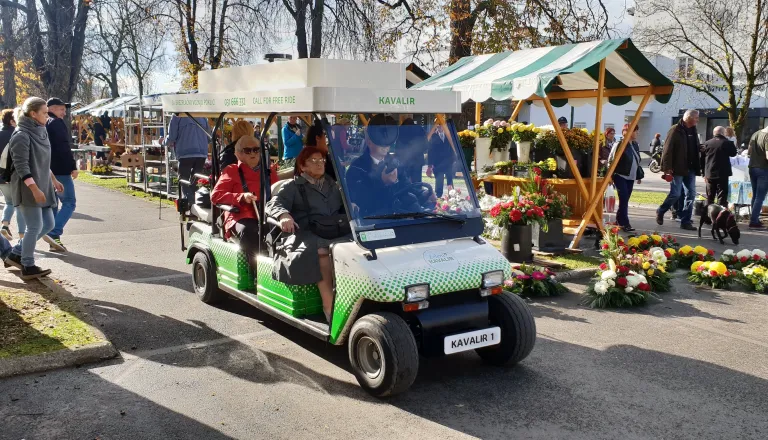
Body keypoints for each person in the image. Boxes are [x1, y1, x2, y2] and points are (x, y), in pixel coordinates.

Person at [266, 146, 348, 323]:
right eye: (314, 161)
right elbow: (273, 204)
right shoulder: (292, 186)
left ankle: (350, 298)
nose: (320, 164)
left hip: (334, 230)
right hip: (304, 234)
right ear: (302, 166)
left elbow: (345, 204)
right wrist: (283, 215)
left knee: (357, 248)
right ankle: (329, 305)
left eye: (322, 160)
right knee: (323, 250)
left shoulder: (332, 184)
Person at [5, 97, 64, 280]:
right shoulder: (21, 134)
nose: (48, 116)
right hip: (27, 188)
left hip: (44, 185)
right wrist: (35, 189)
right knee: (34, 226)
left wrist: (53, 180)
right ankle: (28, 266)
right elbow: (21, 166)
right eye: (45, 113)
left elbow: (43, 162)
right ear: (33, 114)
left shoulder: (41, 131)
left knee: (48, 224)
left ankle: (16, 254)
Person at [211, 135, 278, 272]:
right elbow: (215, 196)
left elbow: (279, 192)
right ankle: (258, 272)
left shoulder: (269, 171)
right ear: (238, 154)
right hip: (240, 215)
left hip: (266, 213)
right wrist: (240, 197)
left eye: (256, 150)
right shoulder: (231, 170)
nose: (253, 153)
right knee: (251, 231)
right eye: (248, 151)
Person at [346, 115, 407, 216]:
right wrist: (382, 182)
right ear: (369, 142)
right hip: (372, 223)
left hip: (398, 219)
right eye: (380, 141)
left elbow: (406, 187)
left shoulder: (395, 163)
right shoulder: (356, 168)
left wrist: (423, 194)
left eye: (388, 142)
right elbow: (361, 202)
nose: (385, 146)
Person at [656, 109, 701, 230]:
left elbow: (694, 146)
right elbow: (667, 150)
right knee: (675, 194)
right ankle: (661, 210)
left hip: (690, 168)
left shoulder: (693, 130)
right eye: (696, 118)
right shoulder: (675, 130)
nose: (698, 120)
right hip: (677, 168)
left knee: (691, 194)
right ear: (689, 118)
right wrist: (667, 169)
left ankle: (685, 221)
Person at [44, 98, 77, 252]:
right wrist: (73, 165)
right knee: (69, 202)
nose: (64, 113)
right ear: (52, 108)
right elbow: (64, 146)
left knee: (54, 205)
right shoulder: (56, 123)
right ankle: (54, 231)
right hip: (60, 170)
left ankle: (53, 240)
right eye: (61, 109)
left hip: (47, 169)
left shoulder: (44, 122)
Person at [167, 114, 210, 202]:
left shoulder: (177, 115)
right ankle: (194, 204)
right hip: (201, 153)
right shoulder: (202, 115)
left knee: (184, 180)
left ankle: (189, 204)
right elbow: (209, 137)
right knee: (195, 181)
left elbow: (172, 137)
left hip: (185, 153)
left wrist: (163, 141)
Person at [609, 124, 643, 232]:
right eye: (635, 131)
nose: (637, 133)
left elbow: (637, 160)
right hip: (620, 175)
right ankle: (625, 223)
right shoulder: (619, 144)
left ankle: (619, 220)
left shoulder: (635, 145)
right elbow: (611, 160)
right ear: (626, 132)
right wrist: (609, 175)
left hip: (631, 176)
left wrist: (638, 175)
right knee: (623, 198)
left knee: (625, 200)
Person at [0, 108, 25, 240]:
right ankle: (22, 235)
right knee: (19, 204)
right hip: (12, 175)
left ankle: (4, 225)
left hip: (0, 177)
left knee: (9, 202)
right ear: (12, 121)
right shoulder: (16, 134)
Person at [701, 126, 737, 207]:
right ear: (723, 133)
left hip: (709, 172)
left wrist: (703, 173)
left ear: (714, 133)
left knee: (710, 196)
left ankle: (707, 216)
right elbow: (733, 153)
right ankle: (720, 216)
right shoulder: (727, 143)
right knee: (722, 196)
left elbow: (702, 159)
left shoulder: (707, 143)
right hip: (722, 173)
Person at [747, 125, 768, 229]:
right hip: (763, 168)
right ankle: (754, 221)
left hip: (752, 167)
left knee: (755, 195)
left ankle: (754, 219)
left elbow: (749, 151)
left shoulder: (756, 133)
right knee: (760, 196)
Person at [427, 124, 455, 198]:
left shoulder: (449, 135)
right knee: (439, 181)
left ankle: (452, 197)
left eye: (441, 125)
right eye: (438, 125)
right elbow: (430, 151)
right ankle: (438, 197)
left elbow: (453, 148)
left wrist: (453, 159)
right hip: (438, 163)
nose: (439, 127)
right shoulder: (433, 136)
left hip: (448, 162)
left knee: (450, 181)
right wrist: (430, 165)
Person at [397, 118, 427, 184]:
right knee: (417, 183)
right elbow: (425, 145)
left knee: (404, 182)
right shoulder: (420, 129)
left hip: (404, 160)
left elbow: (398, 147)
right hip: (418, 161)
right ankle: (417, 193)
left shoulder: (400, 130)